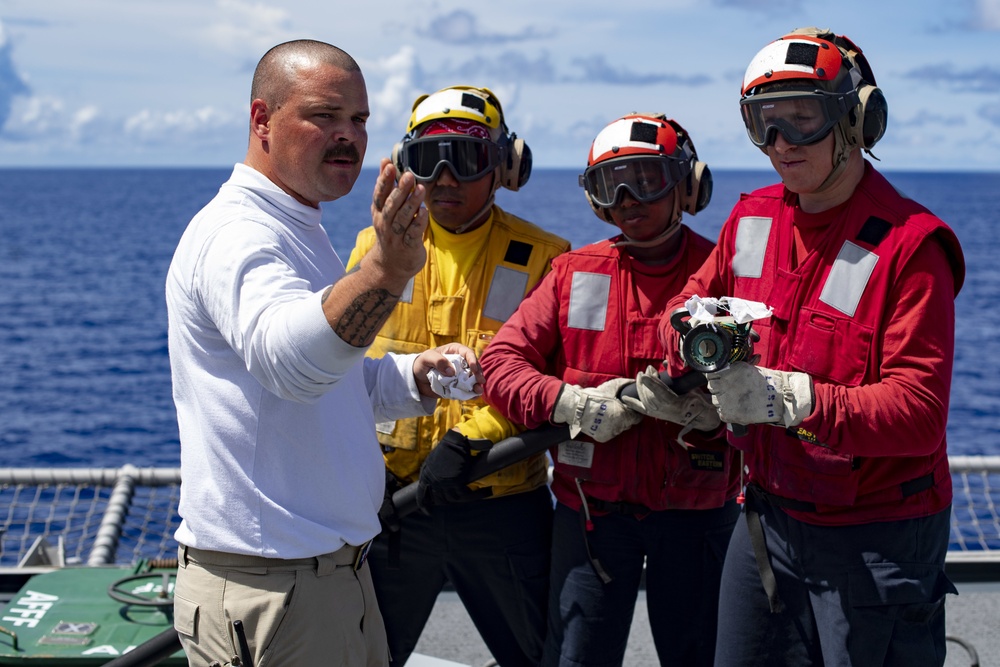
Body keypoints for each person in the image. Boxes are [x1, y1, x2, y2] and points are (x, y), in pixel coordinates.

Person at [165, 40, 484, 667]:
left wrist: (412, 376)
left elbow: (327, 383)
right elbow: (293, 366)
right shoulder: (241, 236)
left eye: (359, 120)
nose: (348, 137)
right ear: (261, 119)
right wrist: (385, 272)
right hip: (277, 589)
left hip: (324, 579)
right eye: (323, 116)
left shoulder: (296, 225)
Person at [658, 28, 966, 666]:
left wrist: (785, 398)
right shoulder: (752, 219)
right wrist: (698, 353)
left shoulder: (910, 247)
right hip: (766, 522)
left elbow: (917, 414)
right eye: (764, 124)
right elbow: (679, 311)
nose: (780, 144)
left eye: (804, 120)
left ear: (857, 119)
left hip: (874, 542)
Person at [477, 113, 742, 667]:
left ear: (686, 185)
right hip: (592, 518)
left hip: (697, 515)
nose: (627, 199)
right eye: (610, 184)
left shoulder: (725, 277)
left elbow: (776, 376)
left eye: (647, 179)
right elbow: (501, 362)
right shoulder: (574, 274)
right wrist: (568, 403)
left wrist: (724, 413)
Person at [347, 85, 570, 666]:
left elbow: (545, 376)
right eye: (428, 160)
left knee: (541, 654)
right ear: (406, 168)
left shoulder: (547, 257)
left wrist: (476, 436)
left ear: (504, 166)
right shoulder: (374, 250)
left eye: (466, 159)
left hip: (502, 504)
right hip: (396, 507)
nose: (444, 179)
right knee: (367, 654)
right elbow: (340, 363)